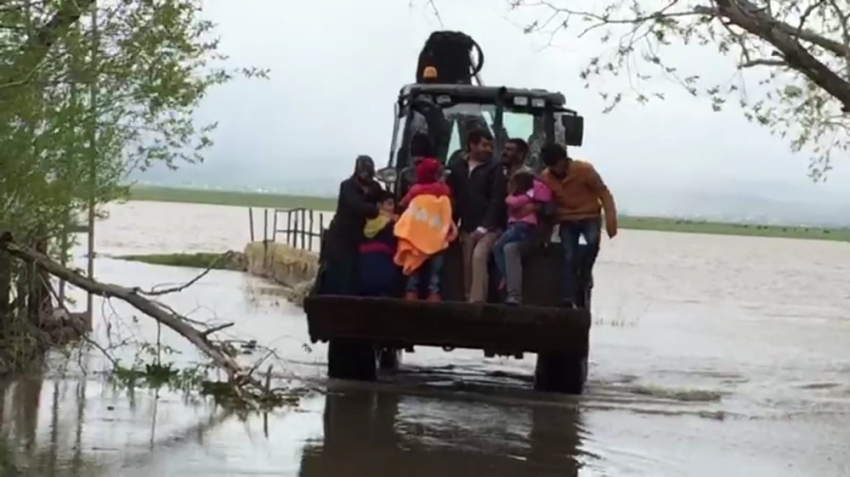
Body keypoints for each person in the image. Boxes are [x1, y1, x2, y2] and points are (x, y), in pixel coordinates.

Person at [539, 143, 617, 308]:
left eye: (557, 165)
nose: (555, 170)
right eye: (550, 166)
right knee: (568, 255)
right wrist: (545, 231)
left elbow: (604, 193)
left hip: (589, 216)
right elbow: (546, 203)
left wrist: (611, 222)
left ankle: (584, 274)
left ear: (564, 160)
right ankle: (567, 297)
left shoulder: (584, 170)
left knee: (592, 241)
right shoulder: (546, 177)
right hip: (567, 219)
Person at [446, 129, 506, 303]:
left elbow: (497, 199)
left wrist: (486, 225)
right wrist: (452, 223)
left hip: (490, 228)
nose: (488, 149)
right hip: (466, 226)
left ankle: (477, 302)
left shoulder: (495, 169)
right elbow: (453, 197)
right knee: (466, 264)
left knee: (479, 257)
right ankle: (467, 298)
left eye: (490, 146)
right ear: (472, 145)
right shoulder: (458, 168)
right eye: (484, 145)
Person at [318, 155, 384, 295]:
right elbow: (357, 206)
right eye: (364, 172)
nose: (366, 176)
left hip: (361, 238)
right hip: (341, 239)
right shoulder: (347, 186)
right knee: (339, 277)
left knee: (356, 277)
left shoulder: (375, 187)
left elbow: (385, 200)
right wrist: (375, 209)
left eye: (368, 172)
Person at [395, 157, 457, 301]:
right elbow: (448, 208)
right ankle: (434, 295)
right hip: (437, 237)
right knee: (435, 272)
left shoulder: (415, 190)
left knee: (414, 268)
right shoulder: (443, 190)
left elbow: (402, 204)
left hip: (415, 238)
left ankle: (411, 294)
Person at [491, 171, 538, 294]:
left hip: (521, 227)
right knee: (502, 247)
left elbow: (513, 202)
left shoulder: (526, 197)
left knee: (497, 247)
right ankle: (507, 276)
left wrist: (508, 196)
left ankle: (506, 276)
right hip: (516, 227)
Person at [356, 190, 401, 297]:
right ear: (379, 205)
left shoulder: (365, 222)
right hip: (383, 271)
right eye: (389, 204)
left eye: (393, 204)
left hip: (364, 272)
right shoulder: (392, 223)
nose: (392, 208)